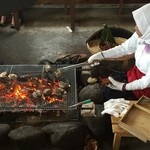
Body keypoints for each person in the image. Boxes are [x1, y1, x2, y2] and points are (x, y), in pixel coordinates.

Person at [88, 3, 150, 102]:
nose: (135, 28)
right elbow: (124, 49)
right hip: (134, 74)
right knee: (107, 83)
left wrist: (124, 87)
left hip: (145, 87)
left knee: (109, 93)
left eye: (140, 25)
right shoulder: (143, 36)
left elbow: (145, 82)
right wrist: (101, 55)